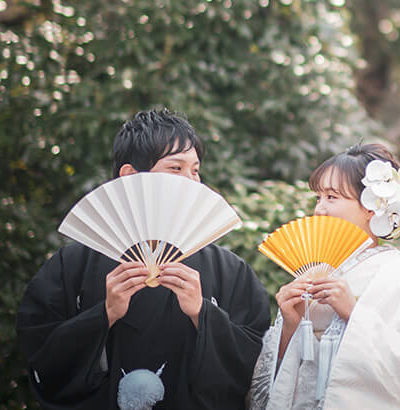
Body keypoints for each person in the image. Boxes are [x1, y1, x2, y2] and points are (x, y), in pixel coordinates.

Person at [16, 108, 272, 409]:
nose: (192, 182)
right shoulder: (72, 264)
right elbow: (42, 359)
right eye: (176, 169)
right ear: (130, 177)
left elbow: (255, 362)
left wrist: (202, 314)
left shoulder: (229, 270)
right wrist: (104, 314)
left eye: (195, 170)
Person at [248, 142, 400, 410]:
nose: (320, 209)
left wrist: (354, 313)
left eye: (332, 197)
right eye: (318, 197)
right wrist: (291, 325)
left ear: (372, 207)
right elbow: (274, 381)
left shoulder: (397, 272)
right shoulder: (315, 266)